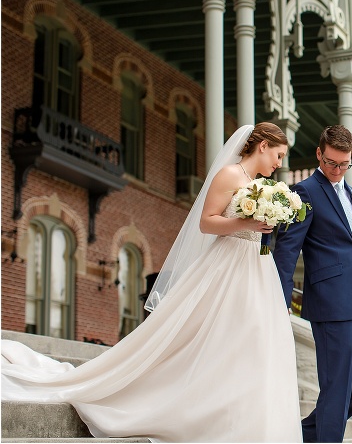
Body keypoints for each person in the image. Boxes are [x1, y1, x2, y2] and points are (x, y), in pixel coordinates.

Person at [1, 123, 303, 443]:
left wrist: (267, 223)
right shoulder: (229, 175)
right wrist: (247, 222)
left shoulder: (261, 184)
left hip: (256, 266)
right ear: (263, 146)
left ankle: (247, 422)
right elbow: (206, 222)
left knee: (255, 340)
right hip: (228, 265)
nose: (279, 164)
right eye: (279, 155)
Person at [272, 124, 352, 443]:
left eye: (343, 165)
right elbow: (287, 250)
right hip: (333, 306)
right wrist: (280, 304)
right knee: (336, 390)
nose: (336, 171)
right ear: (319, 154)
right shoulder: (305, 191)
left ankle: (303, 435)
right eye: (331, 163)